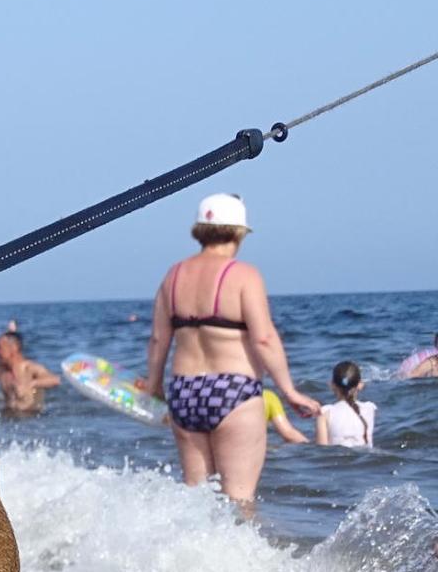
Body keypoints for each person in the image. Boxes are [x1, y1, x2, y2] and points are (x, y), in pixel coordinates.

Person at [145, 193, 317, 507]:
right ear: (239, 231)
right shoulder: (244, 275)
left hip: (184, 391)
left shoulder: (173, 276)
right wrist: (290, 392)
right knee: (240, 499)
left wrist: (154, 385)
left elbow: (159, 339)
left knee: (196, 503)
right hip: (233, 390)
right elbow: (263, 338)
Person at [0, 331, 58, 416]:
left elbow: (54, 380)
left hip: (30, 417)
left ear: (13, 348)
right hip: (8, 416)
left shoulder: (29, 368)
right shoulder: (1, 371)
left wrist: (32, 383)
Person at [316, 361, 376, 448]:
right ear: (360, 385)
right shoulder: (370, 408)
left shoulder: (324, 413)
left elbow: (322, 450)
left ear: (332, 385)